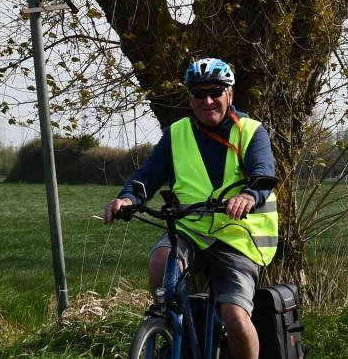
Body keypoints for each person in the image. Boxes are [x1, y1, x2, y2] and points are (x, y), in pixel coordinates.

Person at [103, 58, 277, 359]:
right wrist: (128, 198)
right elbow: (147, 175)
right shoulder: (177, 134)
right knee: (160, 260)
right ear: (190, 98)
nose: (207, 100)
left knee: (236, 318)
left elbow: (263, 175)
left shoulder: (250, 131)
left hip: (238, 233)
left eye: (215, 92)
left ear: (230, 95)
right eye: (198, 94)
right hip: (190, 229)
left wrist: (248, 197)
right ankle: (167, 323)